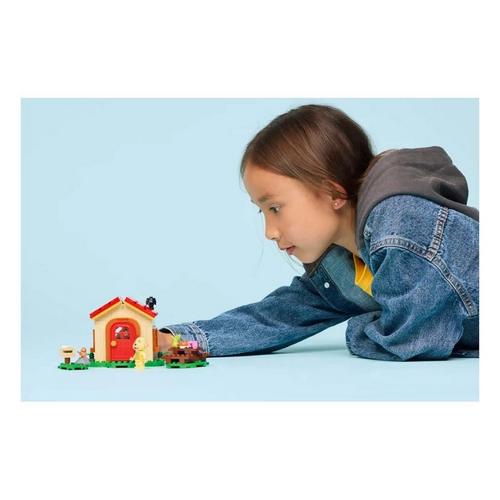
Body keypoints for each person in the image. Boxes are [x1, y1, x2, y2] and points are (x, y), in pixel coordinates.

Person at [158, 104, 479, 361]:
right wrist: (173, 341)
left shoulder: (401, 221)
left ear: (332, 194)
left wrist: (358, 327)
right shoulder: (342, 266)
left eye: (275, 208)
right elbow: (275, 318)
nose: (269, 232)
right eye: (262, 211)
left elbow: (412, 341)